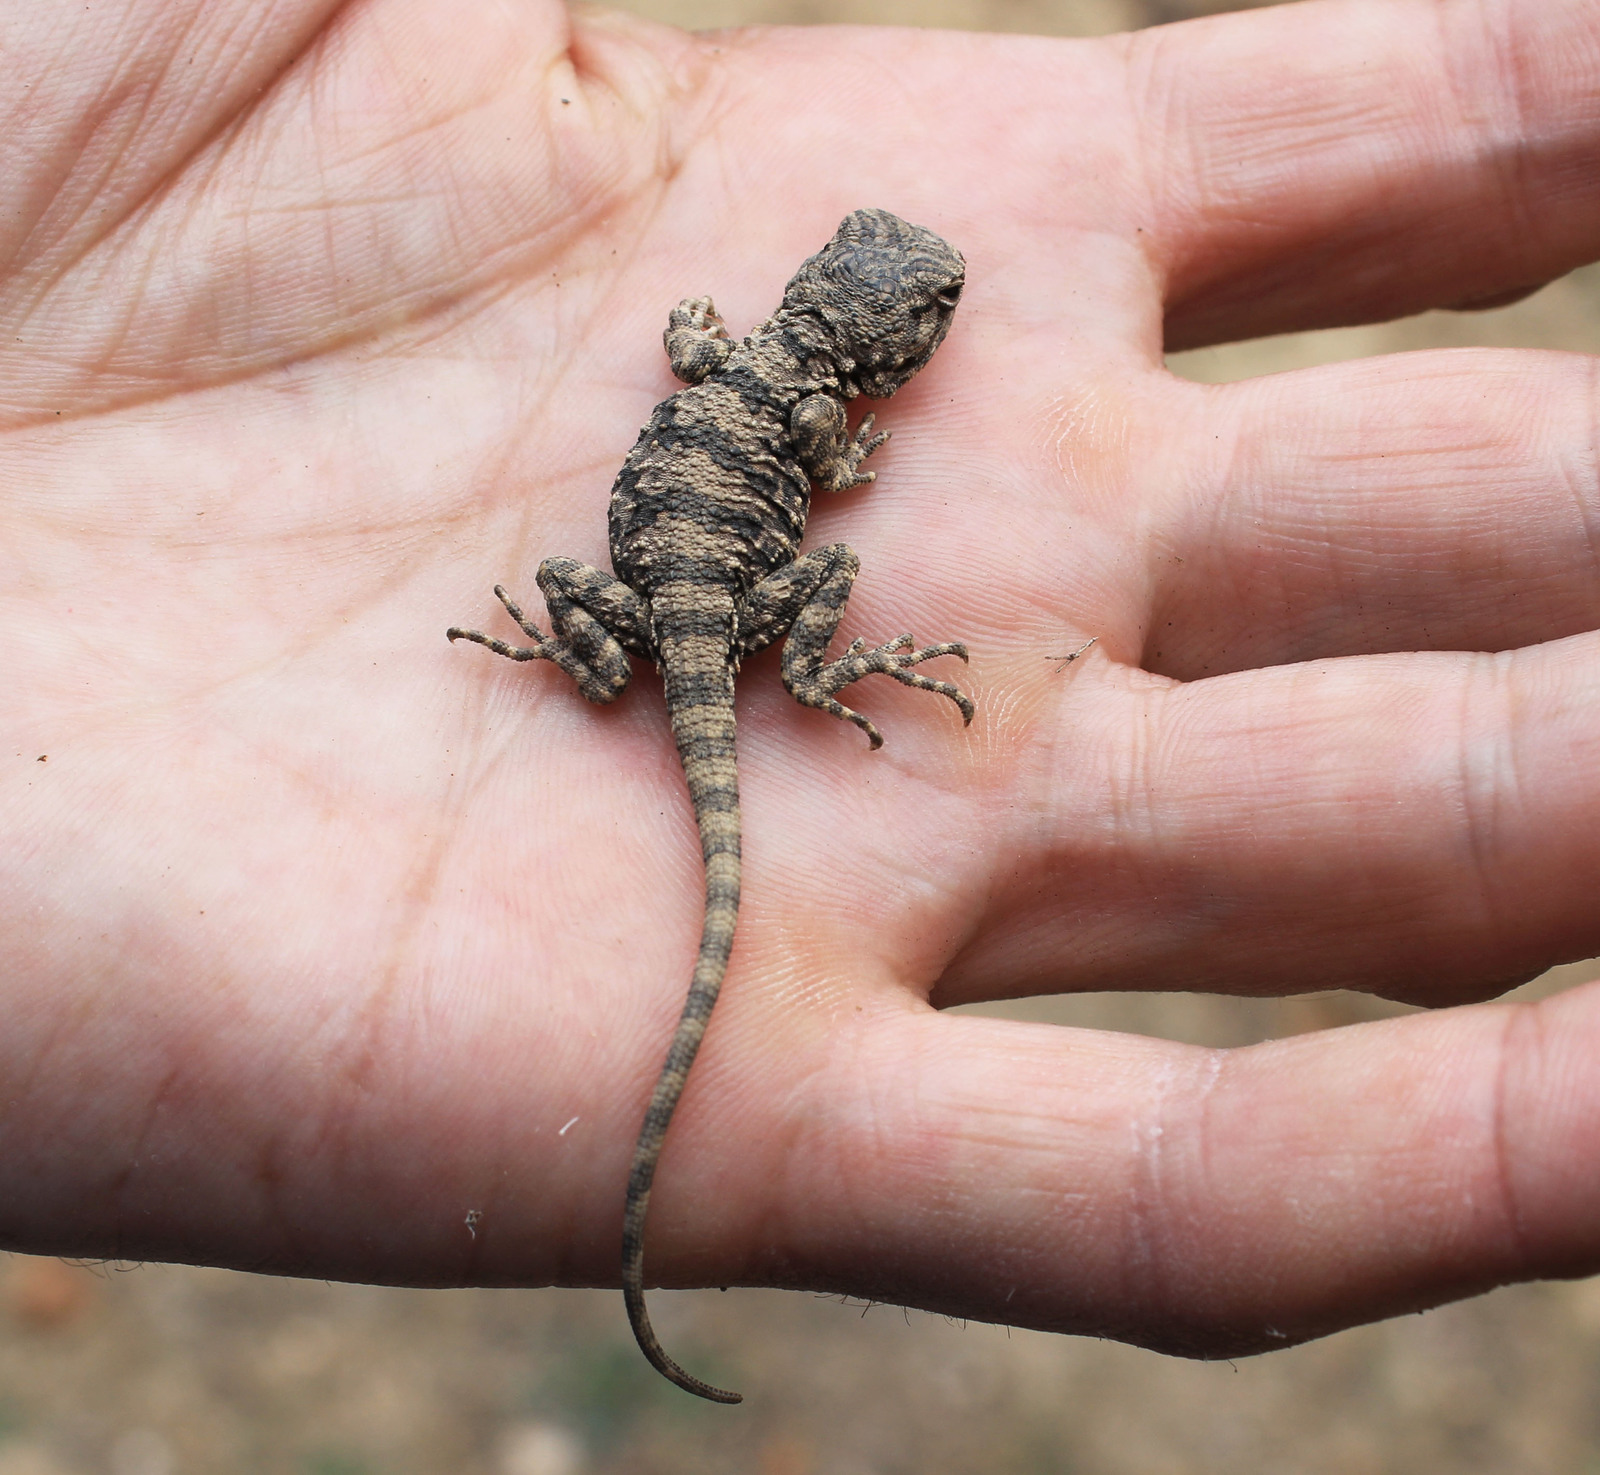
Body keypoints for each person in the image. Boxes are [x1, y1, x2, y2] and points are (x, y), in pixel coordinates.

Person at [1, 0, 1595, 1365]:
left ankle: (616, 654)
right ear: (873, 340)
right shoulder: (819, 421)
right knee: (811, 595)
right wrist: (809, 626)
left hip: (637, 600)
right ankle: (828, 672)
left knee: (587, 612)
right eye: (925, 313)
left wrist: (615, 620)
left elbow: (698, 342)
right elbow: (829, 484)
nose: (934, 315)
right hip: (736, 598)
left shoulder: (738, 355)